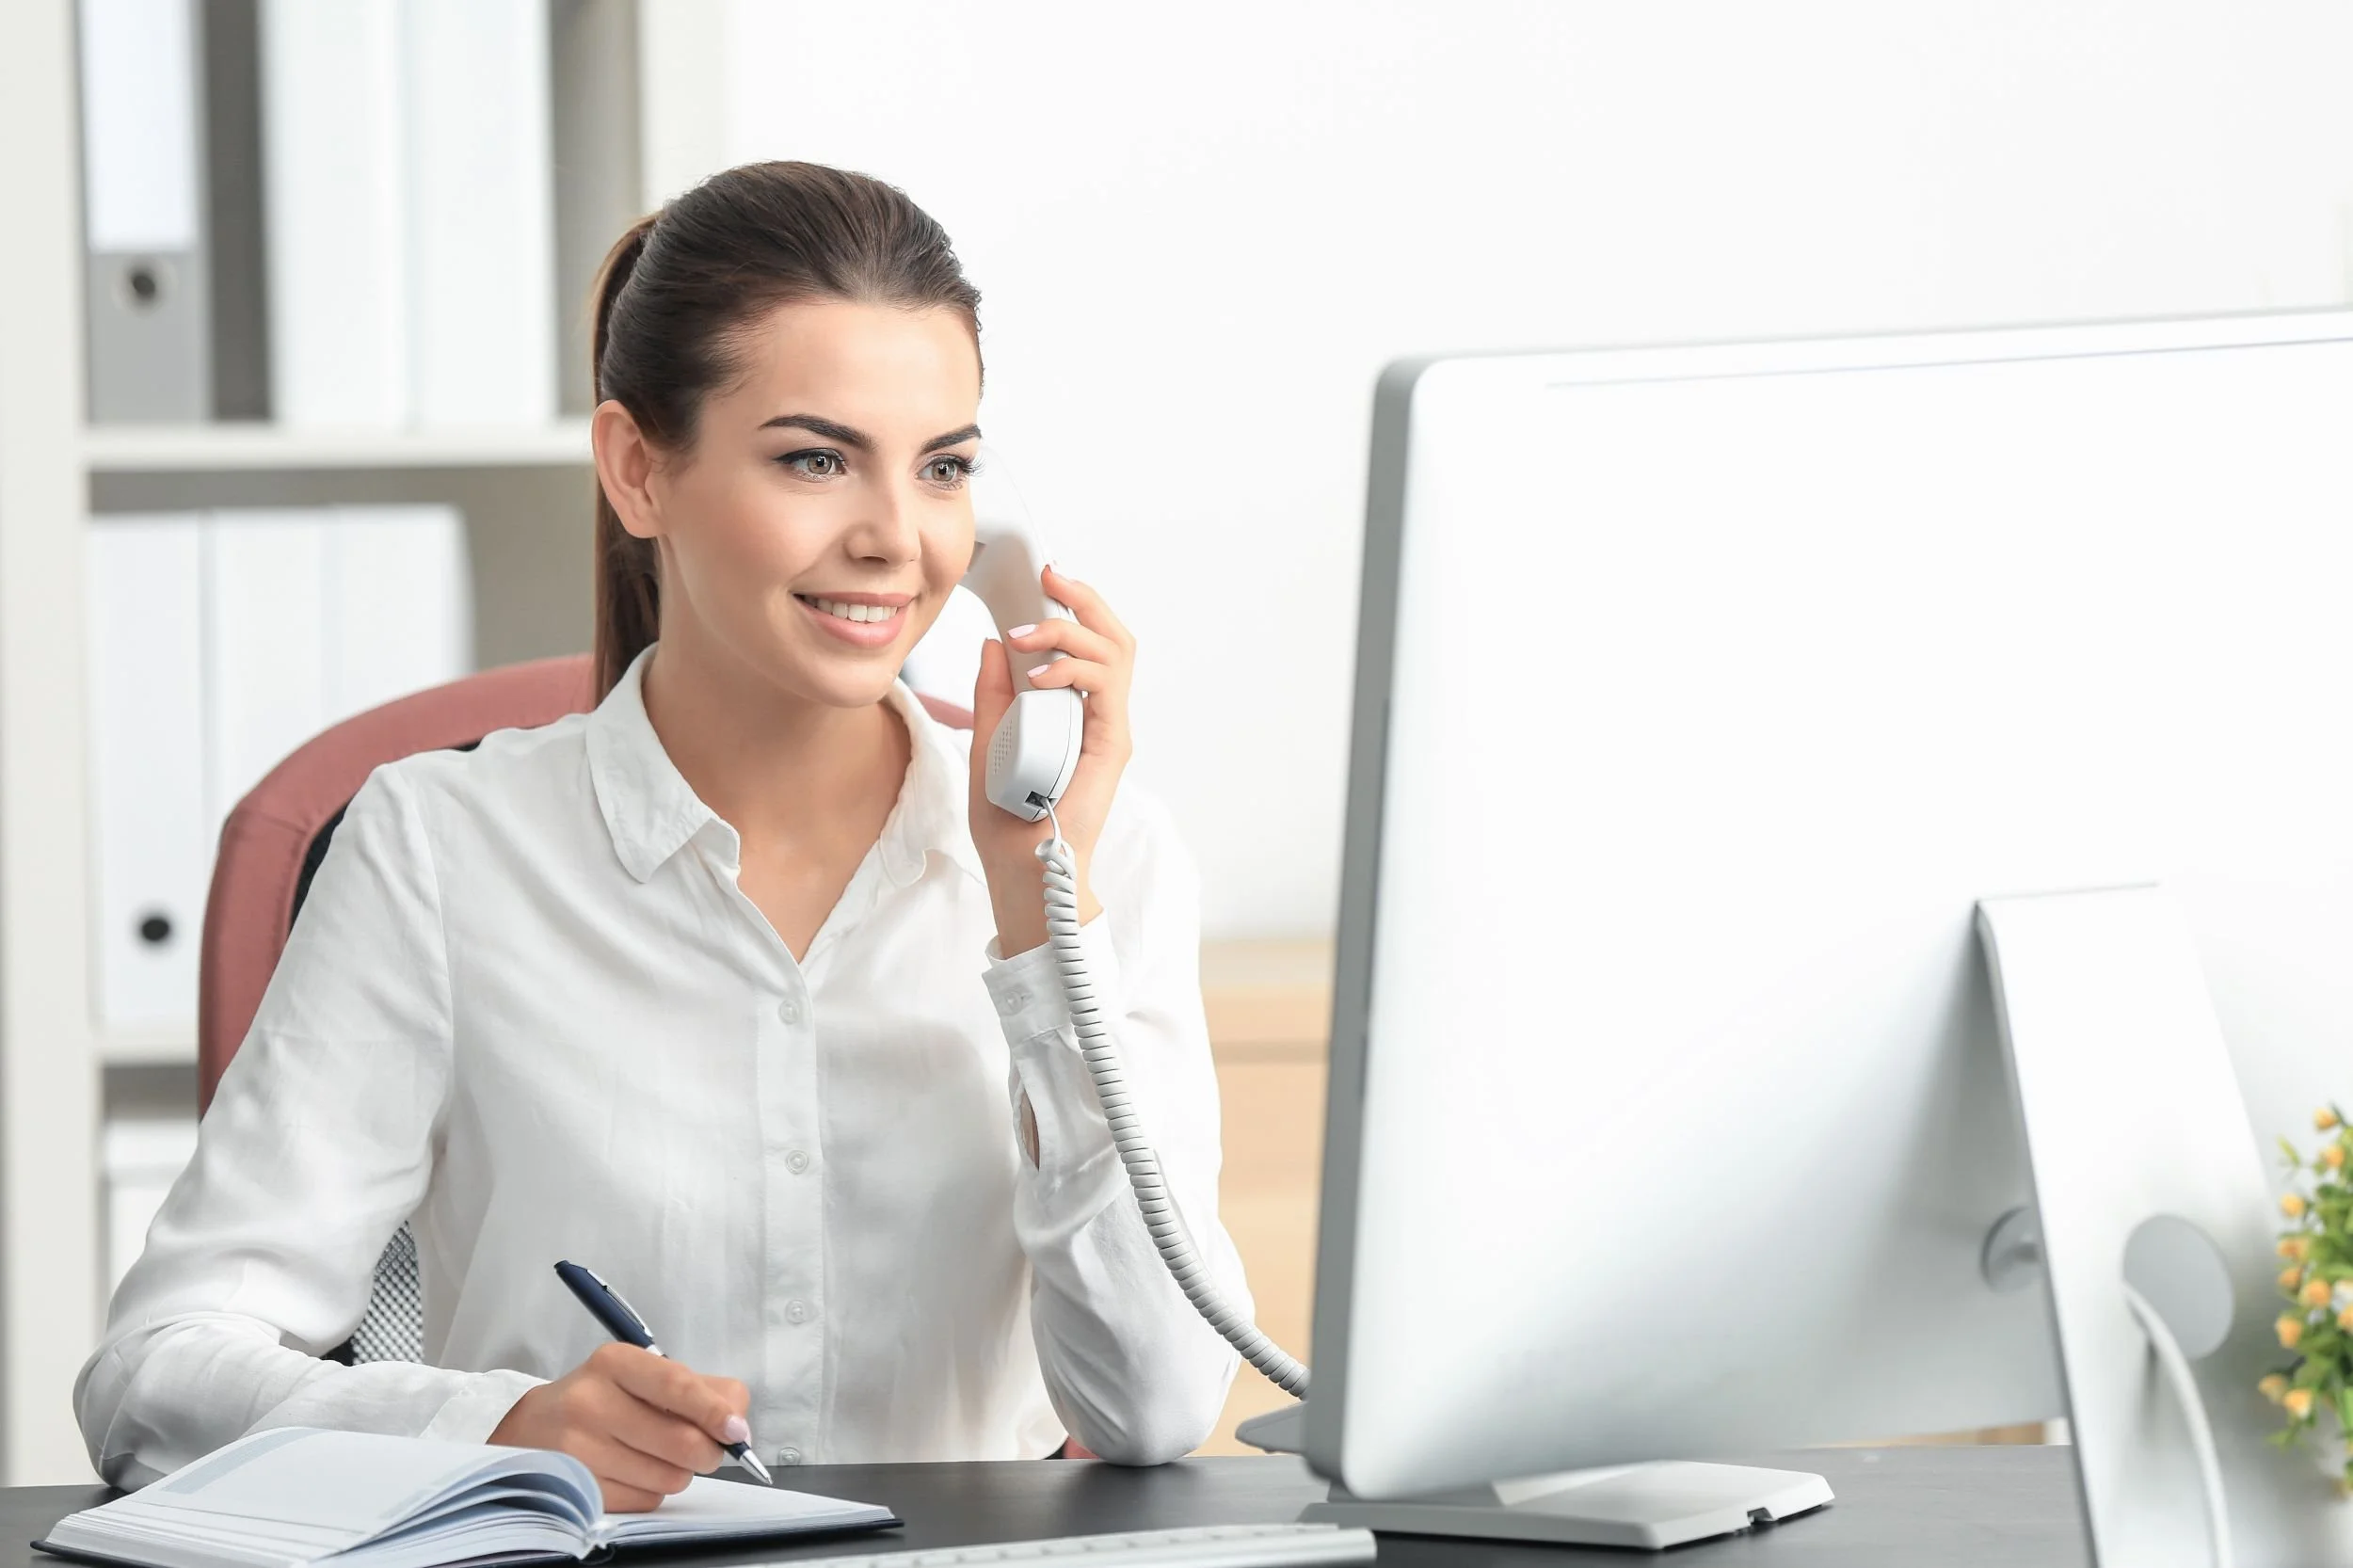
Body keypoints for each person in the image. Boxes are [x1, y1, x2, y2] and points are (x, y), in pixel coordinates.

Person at [74, 162, 1249, 1506]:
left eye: (943, 468)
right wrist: (493, 1426)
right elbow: (152, 1377)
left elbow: (1155, 1406)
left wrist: (1040, 925)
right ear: (640, 469)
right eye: (815, 458)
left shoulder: (1100, 860)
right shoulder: (441, 850)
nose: (894, 539)